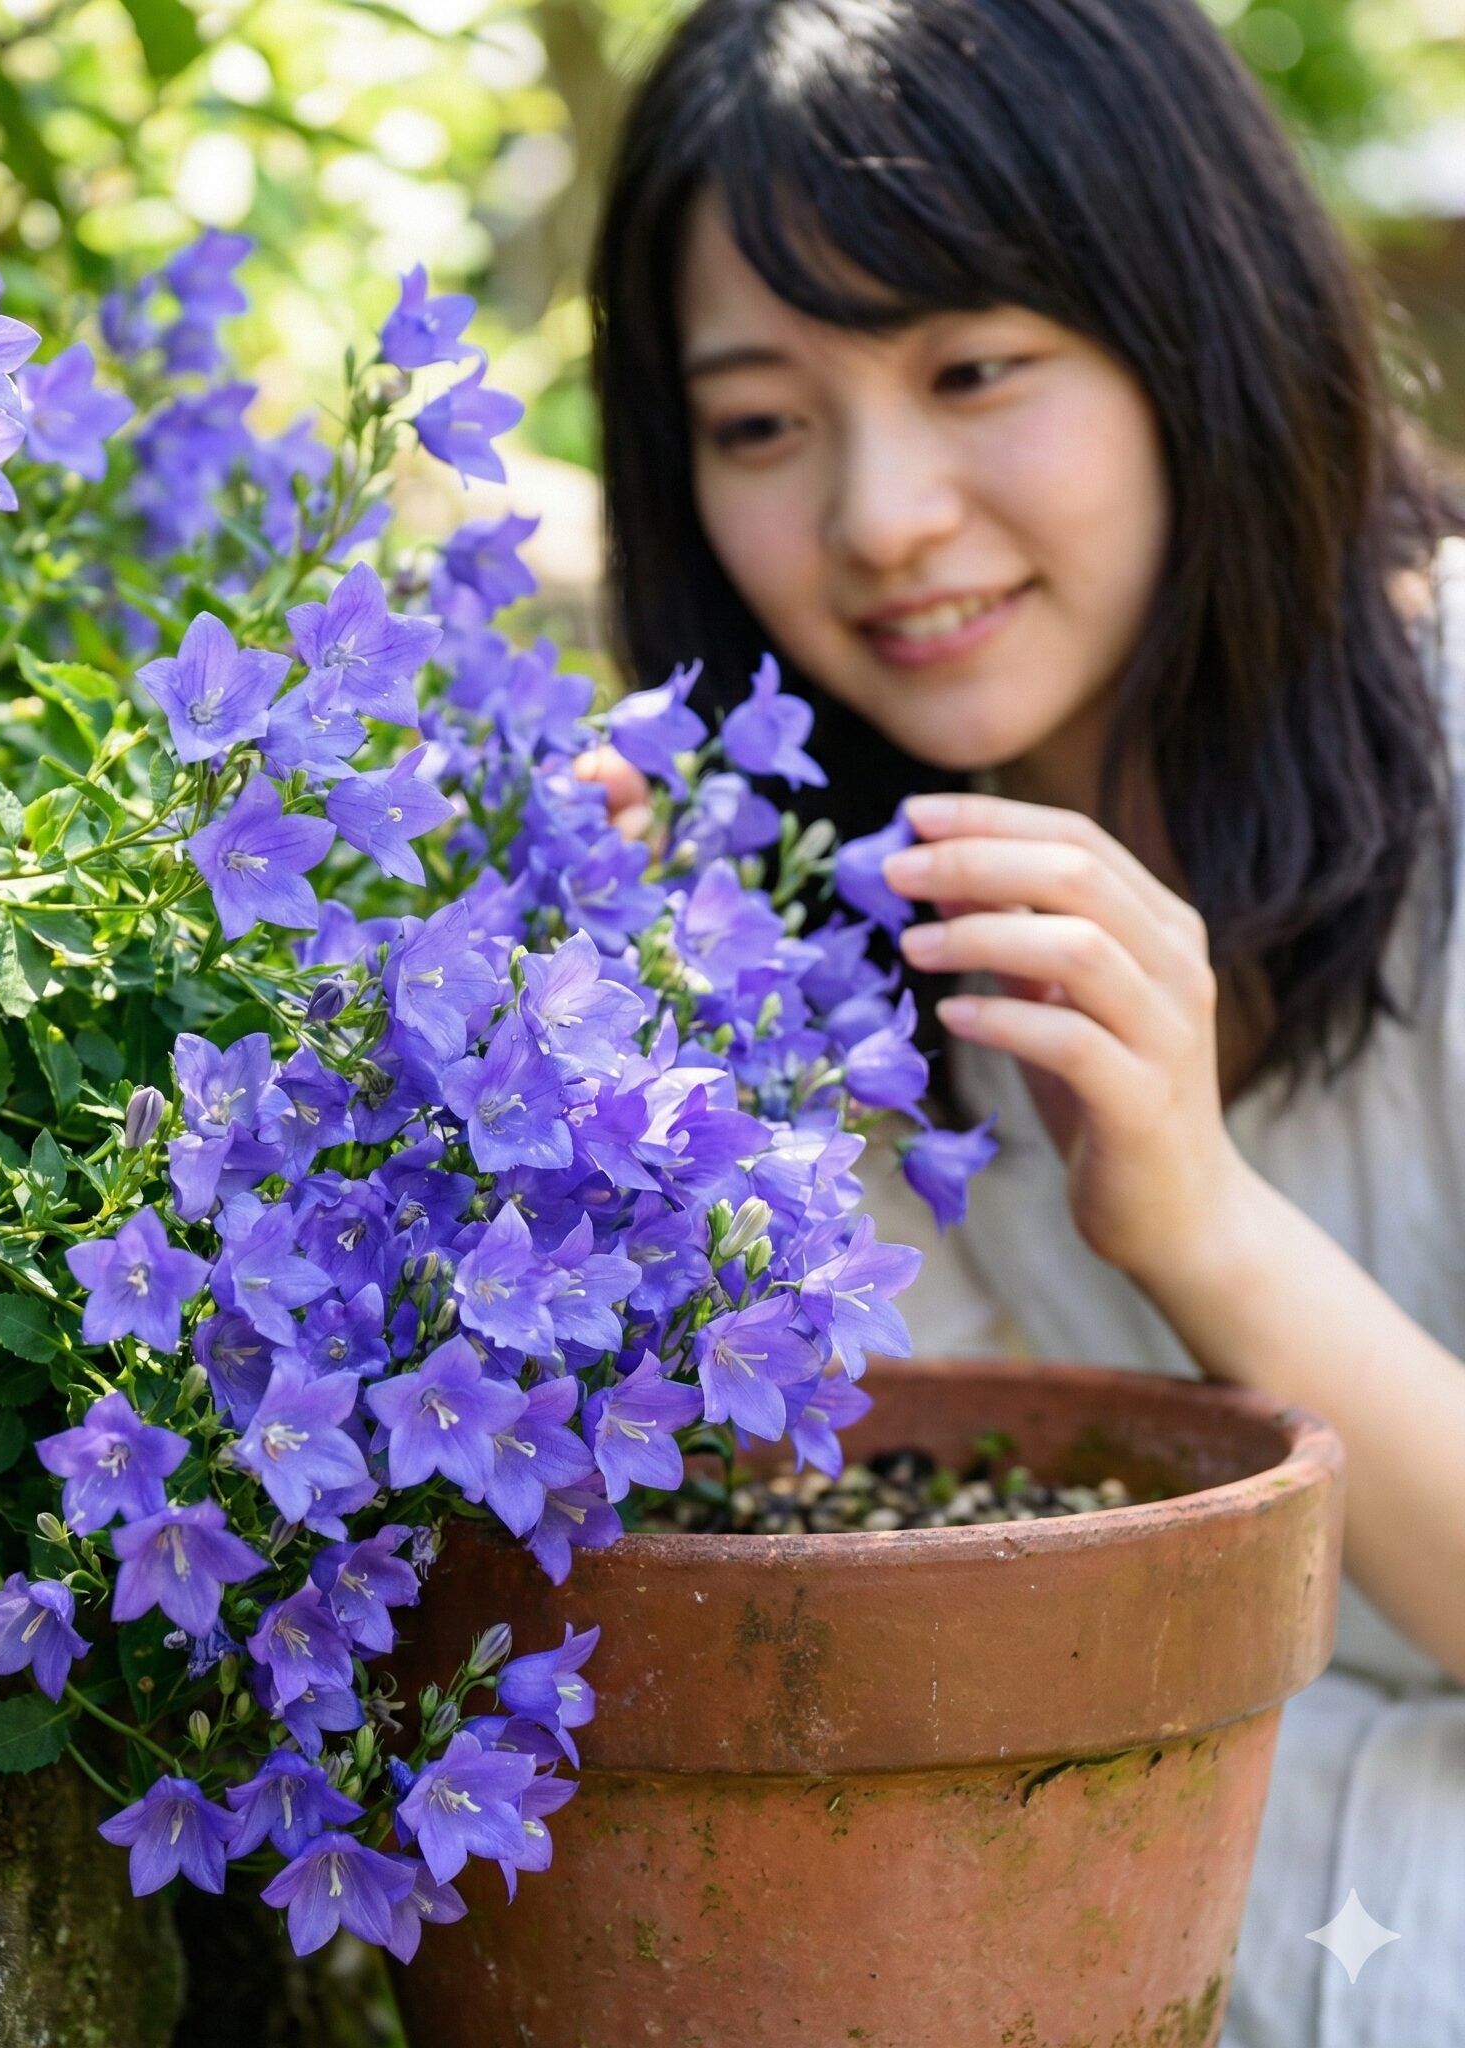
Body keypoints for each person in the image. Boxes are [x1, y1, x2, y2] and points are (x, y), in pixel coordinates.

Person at [580, 1, 1465, 2040]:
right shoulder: (801, 948)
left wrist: (1198, 1220)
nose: (878, 515)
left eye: (970, 369)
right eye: (759, 423)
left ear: (1193, 323)